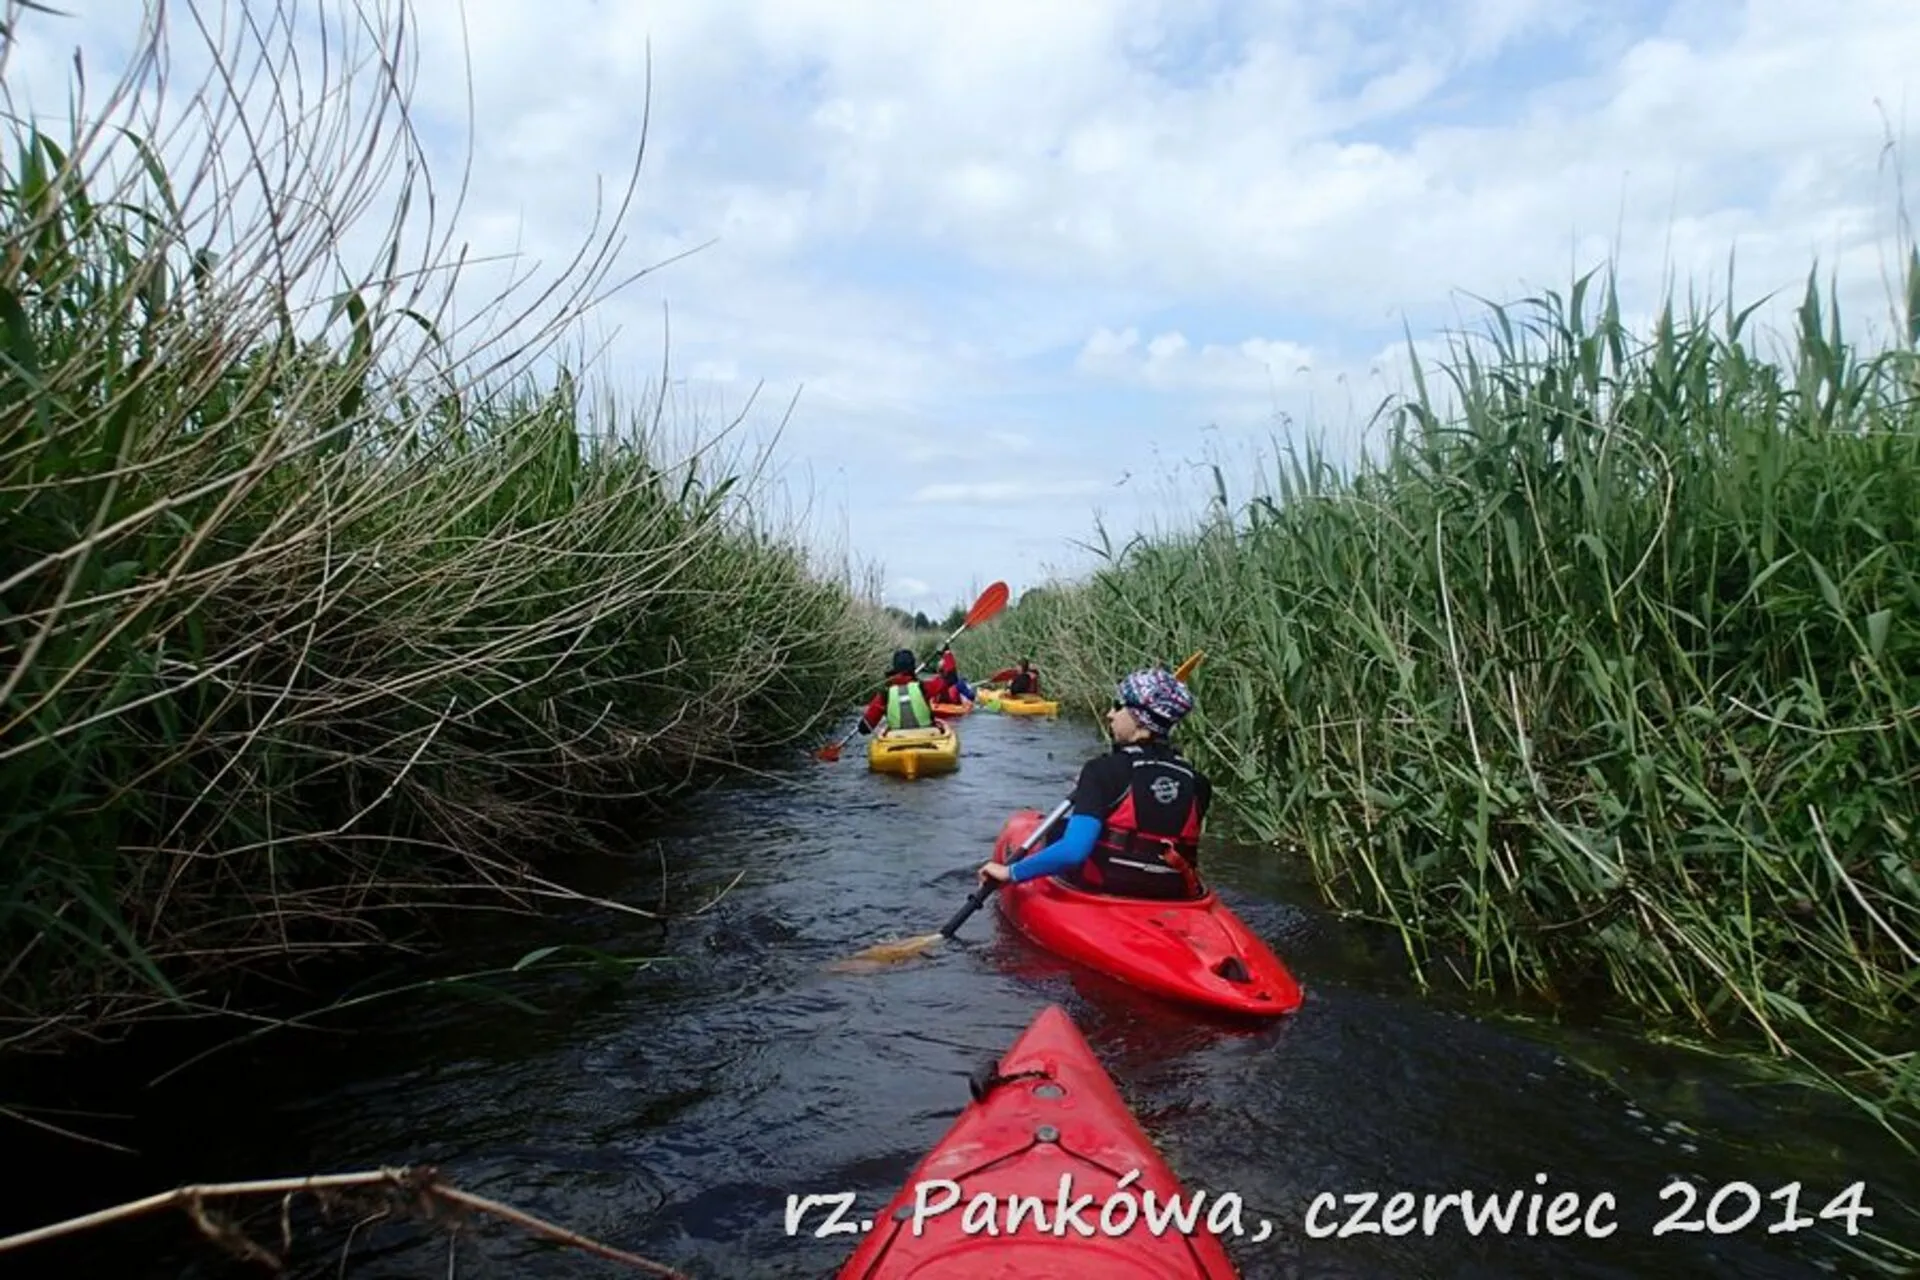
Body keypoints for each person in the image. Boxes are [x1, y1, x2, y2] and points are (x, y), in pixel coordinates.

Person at [977, 664, 1208, 899]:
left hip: (1105, 887)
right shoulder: (1198, 782)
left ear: (1140, 719)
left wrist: (1011, 872)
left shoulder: (1101, 771)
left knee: (1055, 831)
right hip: (1175, 894)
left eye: (1118, 707)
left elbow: (1073, 852)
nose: (1110, 714)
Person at [858, 648, 961, 734]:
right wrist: (947, 653)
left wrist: (862, 724)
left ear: (894, 668)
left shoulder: (885, 694)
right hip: (926, 736)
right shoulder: (924, 687)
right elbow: (951, 678)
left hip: (895, 741)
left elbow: (865, 729)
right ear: (913, 667)